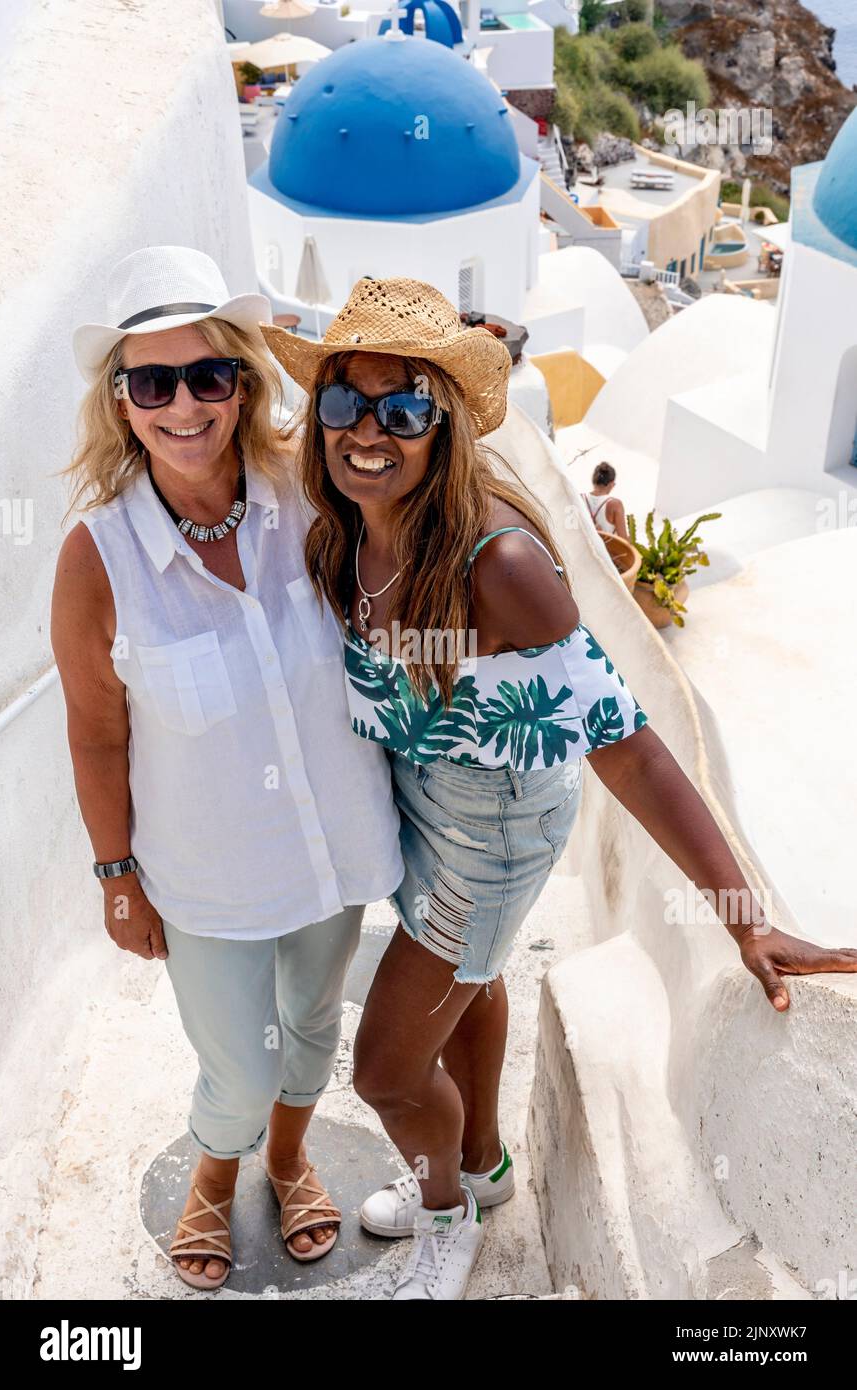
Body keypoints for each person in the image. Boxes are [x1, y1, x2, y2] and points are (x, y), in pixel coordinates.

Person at [260, 275, 857, 1301]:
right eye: (343, 402)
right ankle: (484, 1168)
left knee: (388, 1073)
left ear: (443, 424)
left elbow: (629, 743)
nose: (368, 431)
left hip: (492, 838)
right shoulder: (346, 521)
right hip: (427, 805)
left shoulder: (503, 564)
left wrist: (741, 917)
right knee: (475, 985)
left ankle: (446, 1214)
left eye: (403, 407)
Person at [52, 246, 404, 1290]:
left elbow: (422, 502)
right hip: (204, 876)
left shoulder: (309, 497)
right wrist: (116, 877)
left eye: (208, 375)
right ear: (122, 405)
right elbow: (94, 731)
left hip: (334, 845)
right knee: (239, 1066)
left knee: (309, 1031)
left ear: (243, 381)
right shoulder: (97, 557)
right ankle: (217, 1172)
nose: (184, 405)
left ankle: (289, 1164)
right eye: (152, 383)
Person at [581, 461, 629, 540]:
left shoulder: (580, 498)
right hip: (603, 551)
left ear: (593, 480)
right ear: (612, 484)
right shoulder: (615, 504)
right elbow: (623, 540)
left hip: (581, 548)